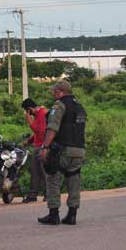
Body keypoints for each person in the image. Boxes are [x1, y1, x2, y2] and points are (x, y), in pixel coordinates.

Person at [38, 80, 86, 226]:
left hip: (62, 149)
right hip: (79, 150)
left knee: (52, 178)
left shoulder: (59, 105)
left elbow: (52, 128)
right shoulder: (80, 107)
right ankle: (72, 215)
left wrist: (45, 147)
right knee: (74, 180)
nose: (53, 93)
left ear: (61, 92)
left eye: (55, 91)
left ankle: (54, 215)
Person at [21, 97, 48, 203]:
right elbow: (37, 133)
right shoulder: (38, 114)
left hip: (42, 146)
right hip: (37, 146)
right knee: (35, 171)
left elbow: (41, 132)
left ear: (29, 109)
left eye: (27, 111)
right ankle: (32, 195)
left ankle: (48, 194)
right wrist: (29, 141)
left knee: (43, 171)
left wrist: (30, 122)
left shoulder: (42, 113)